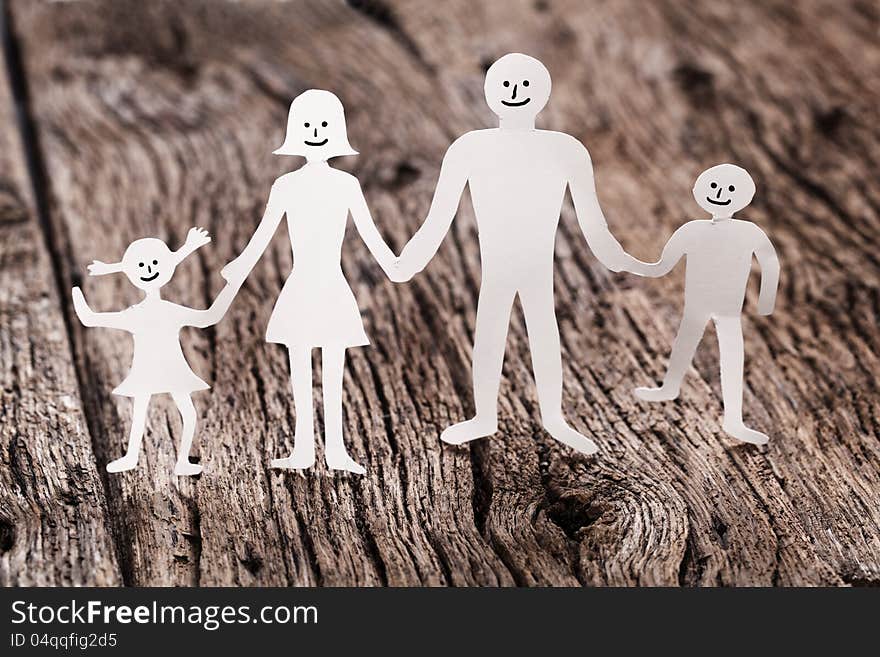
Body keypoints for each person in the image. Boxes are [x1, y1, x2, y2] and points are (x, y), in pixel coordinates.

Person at [393, 53, 640, 454]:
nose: (514, 93)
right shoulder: (469, 148)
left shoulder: (566, 150)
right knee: (490, 330)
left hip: (538, 265)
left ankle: (554, 419)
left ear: (542, 95)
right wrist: (410, 260)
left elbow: (593, 220)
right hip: (497, 265)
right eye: (506, 85)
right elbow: (437, 218)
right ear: (490, 93)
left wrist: (621, 260)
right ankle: (483, 417)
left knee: (543, 330)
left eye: (525, 86)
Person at [221, 89, 397, 474]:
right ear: (294, 133)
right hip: (300, 288)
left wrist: (394, 265)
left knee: (333, 372)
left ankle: (335, 449)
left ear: (336, 132)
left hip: (333, 287)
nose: (315, 132)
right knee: (300, 371)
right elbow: (264, 234)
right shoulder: (285, 187)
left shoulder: (347, 185)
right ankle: (303, 447)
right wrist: (240, 264)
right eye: (307, 125)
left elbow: (370, 234)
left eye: (323, 126)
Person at [628, 163, 780, 445]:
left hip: (729, 310)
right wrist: (631, 265)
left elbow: (770, 263)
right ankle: (669, 387)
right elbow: (662, 266)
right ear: (699, 190)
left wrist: (766, 300)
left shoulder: (749, 233)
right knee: (684, 345)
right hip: (696, 305)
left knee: (732, 357)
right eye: (714, 186)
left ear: (744, 196)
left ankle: (733, 419)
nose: (721, 193)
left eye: (731, 189)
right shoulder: (690, 230)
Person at [72, 227, 242, 475]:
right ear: (131, 272)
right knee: (147, 412)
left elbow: (209, 317)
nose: (149, 270)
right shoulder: (141, 314)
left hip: (169, 367)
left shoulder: (158, 312)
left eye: (154, 263)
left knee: (178, 412)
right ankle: (134, 458)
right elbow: (89, 319)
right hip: (152, 369)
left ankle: (179, 461)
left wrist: (230, 285)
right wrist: (79, 296)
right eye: (141, 266)